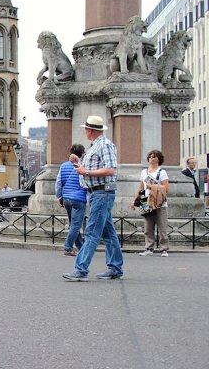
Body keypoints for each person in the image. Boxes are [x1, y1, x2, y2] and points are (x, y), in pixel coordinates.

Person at [63, 116, 123, 281]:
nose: (85, 131)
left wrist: (85, 172)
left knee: (92, 232)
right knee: (108, 232)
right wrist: (79, 162)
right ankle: (115, 267)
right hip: (97, 192)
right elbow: (96, 167)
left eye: (86, 129)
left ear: (90, 130)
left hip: (101, 193)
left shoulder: (104, 145)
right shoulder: (97, 146)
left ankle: (81, 270)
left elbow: (110, 170)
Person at [133, 150, 170, 257]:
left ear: (159, 159)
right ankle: (149, 247)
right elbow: (141, 188)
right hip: (146, 200)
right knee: (148, 226)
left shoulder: (161, 172)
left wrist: (152, 187)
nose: (151, 158)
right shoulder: (144, 172)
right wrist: (135, 200)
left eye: (154, 157)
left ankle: (164, 249)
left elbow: (166, 188)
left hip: (159, 201)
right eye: (150, 157)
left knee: (162, 226)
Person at [56, 144, 87, 256]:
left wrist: (60, 197)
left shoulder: (63, 166)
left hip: (67, 198)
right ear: (82, 154)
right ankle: (68, 248)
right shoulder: (82, 166)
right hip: (79, 199)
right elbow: (85, 182)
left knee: (73, 224)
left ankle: (81, 247)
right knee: (76, 225)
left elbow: (59, 182)